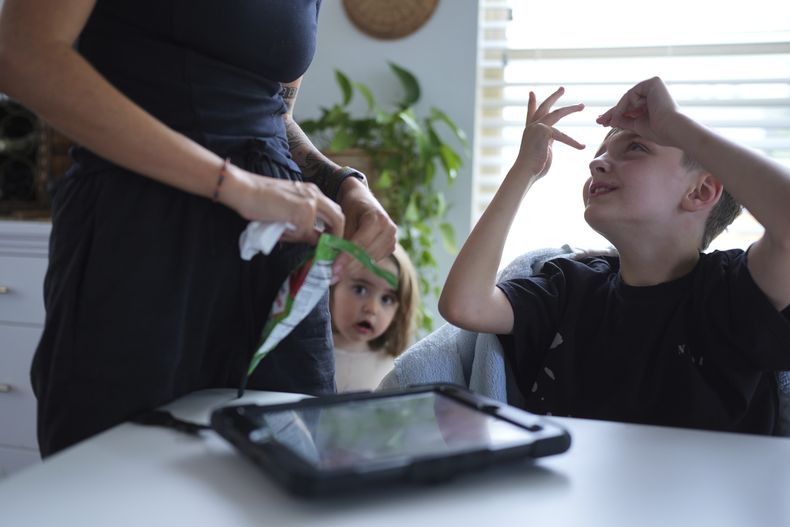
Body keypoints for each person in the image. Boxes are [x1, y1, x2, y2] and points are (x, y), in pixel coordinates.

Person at [0, 0, 397, 456]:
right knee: (114, 472)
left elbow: (273, 113)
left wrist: (342, 183)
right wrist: (234, 185)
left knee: (285, 471)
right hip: (141, 235)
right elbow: (24, 54)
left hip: (274, 254)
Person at [439, 77, 790, 434]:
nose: (598, 163)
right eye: (600, 153)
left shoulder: (730, 293)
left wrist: (675, 125)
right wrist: (523, 171)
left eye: (635, 148)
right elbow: (465, 305)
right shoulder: (569, 287)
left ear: (700, 192)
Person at [331, 243, 419, 391]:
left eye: (387, 299)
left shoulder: (395, 370)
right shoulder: (302, 353)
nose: (372, 308)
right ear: (332, 285)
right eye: (360, 289)